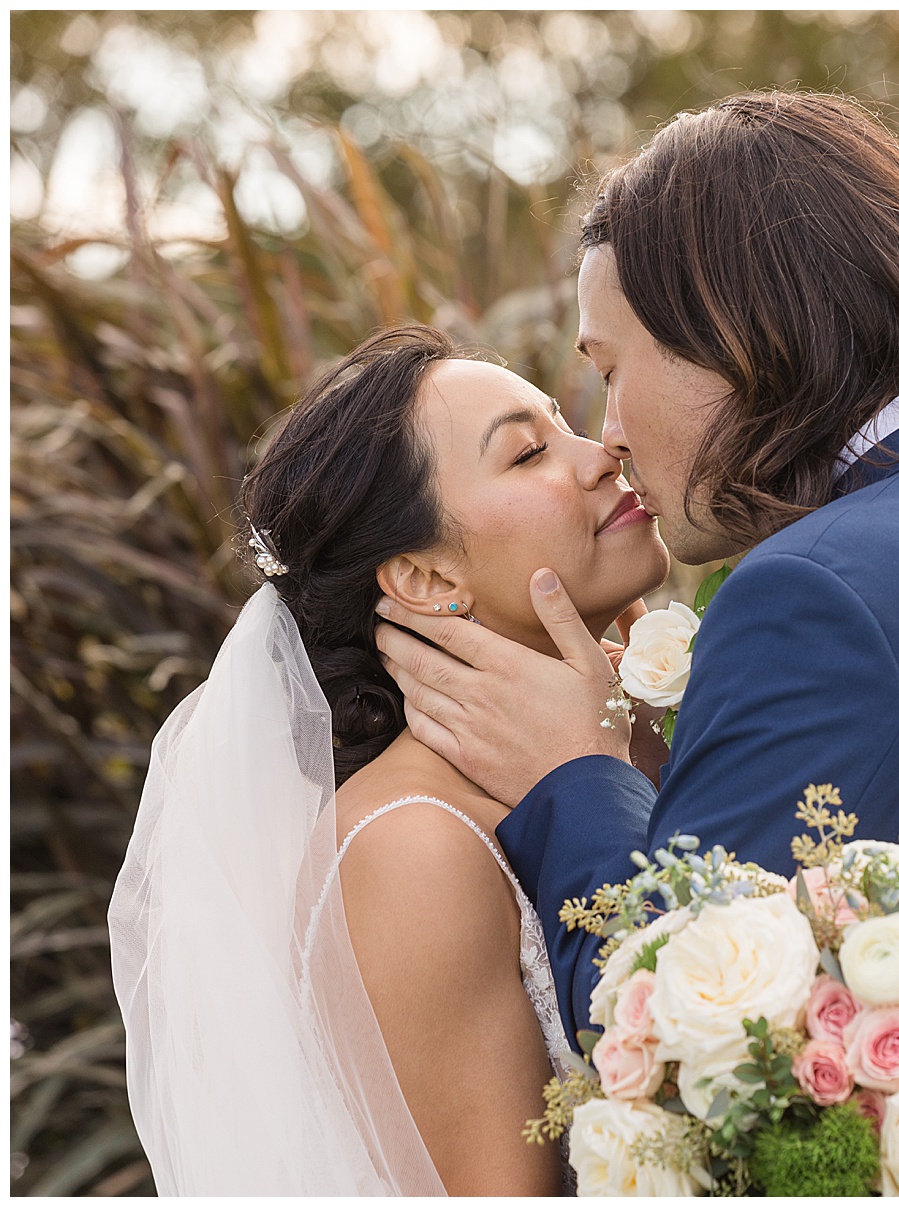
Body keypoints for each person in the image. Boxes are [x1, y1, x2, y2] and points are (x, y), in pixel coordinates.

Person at [376, 91, 899, 1194]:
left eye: (610, 368)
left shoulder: (816, 593)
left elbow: (687, 1059)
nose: (614, 432)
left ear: (735, 329)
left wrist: (574, 776)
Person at [108, 326, 671, 1194]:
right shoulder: (413, 848)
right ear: (420, 576)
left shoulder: (634, 737)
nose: (601, 455)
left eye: (566, 424)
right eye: (528, 454)